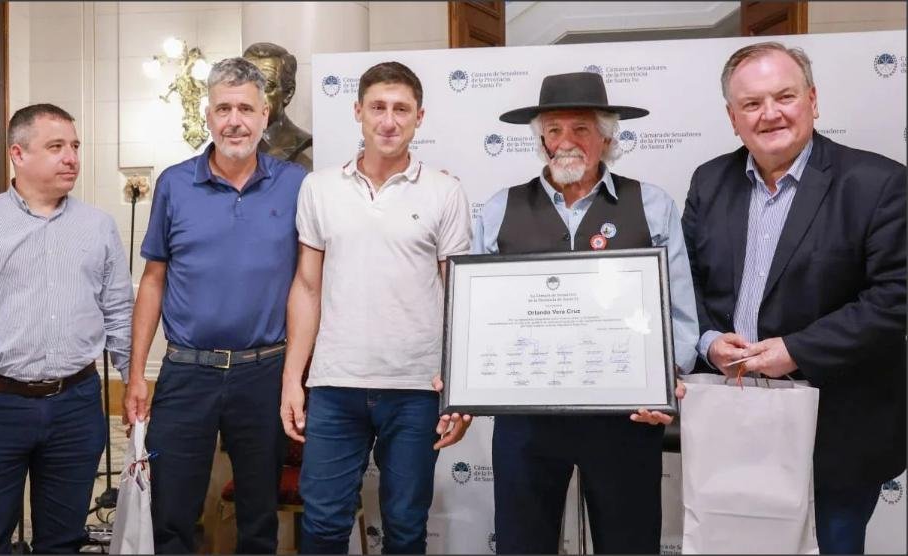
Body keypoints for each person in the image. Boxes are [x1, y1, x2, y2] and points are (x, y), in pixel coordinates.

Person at [682, 41, 906, 554]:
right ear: (732, 116)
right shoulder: (709, 181)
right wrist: (710, 340)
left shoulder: (880, 183)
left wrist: (796, 352)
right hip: (732, 423)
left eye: (784, 96)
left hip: (839, 431)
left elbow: (894, 300)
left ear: (812, 99)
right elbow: (683, 282)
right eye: (752, 104)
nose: (770, 114)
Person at [473, 72, 699, 554]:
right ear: (540, 139)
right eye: (553, 130)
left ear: (607, 136)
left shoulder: (653, 205)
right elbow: (477, 316)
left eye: (581, 129)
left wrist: (668, 377)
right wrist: (465, 370)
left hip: (625, 417)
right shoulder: (497, 210)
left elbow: (679, 312)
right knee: (521, 544)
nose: (566, 142)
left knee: (629, 542)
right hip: (526, 421)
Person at [280, 61, 472, 554]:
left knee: (406, 528)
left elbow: (460, 296)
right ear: (358, 112)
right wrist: (292, 378)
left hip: (415, 389)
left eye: (401, 109)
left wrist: (462, 386)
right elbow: (306, 287)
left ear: (419, 117)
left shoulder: (445, 191)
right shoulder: (319, 187)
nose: (389, 120)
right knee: (322, 526)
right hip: (334, 385)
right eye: (378, 108)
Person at [124, 57, 307, 554]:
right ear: (207, 115)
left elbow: (309, 283)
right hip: (187, 372)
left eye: (245, 108)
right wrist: (137, 372)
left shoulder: (295, 185)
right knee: (173, 515)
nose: (234, 120)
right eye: (223, 108)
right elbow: (153, 281)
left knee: (259, 519)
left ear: (264, 114)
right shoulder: (174, 184)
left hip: (263, 371)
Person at [0, 103, 133, 553]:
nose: (72, 158)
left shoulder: (98, 227)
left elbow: (120, 311)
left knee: (63, 541)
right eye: (56, 147)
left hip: (76, 405)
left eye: (75, 147)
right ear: (18, 154)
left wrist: (133, 379)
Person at [244, 42, 313, 170]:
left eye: (267, 86)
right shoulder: (232, 143)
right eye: (247, 85)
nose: (253, 96)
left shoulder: (305, 150)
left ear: (288, 93)